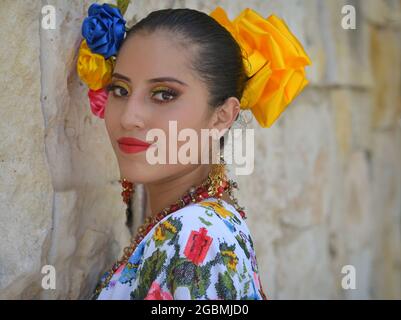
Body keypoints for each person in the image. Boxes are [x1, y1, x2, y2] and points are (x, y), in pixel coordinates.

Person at [77, 3, 311, 300]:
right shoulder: (199, 223)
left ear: (222, 116)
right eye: (120, 90)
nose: (128, 117)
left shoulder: (195, 235)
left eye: (164, 94)